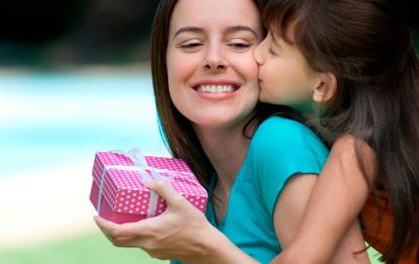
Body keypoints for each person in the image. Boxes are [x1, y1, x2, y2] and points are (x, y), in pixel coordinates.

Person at [94, 0, 371, 263]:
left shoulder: (281, 143)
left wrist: (207, 248)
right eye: (191, 44)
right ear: (163, 60)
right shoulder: (199, 188)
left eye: (239, 43)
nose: (214, 60)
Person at [253, 0, 419, 263]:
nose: (256, 54)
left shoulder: (355, 150)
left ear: (322, 86)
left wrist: (206, 247)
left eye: (273, 49)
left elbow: (302, 258)